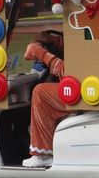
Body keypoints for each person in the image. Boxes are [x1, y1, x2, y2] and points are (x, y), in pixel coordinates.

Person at [21, 40, 67, 168]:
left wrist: (45, 56)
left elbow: (71, 72)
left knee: (40, 92)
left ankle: (42, 154)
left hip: (85, 91)